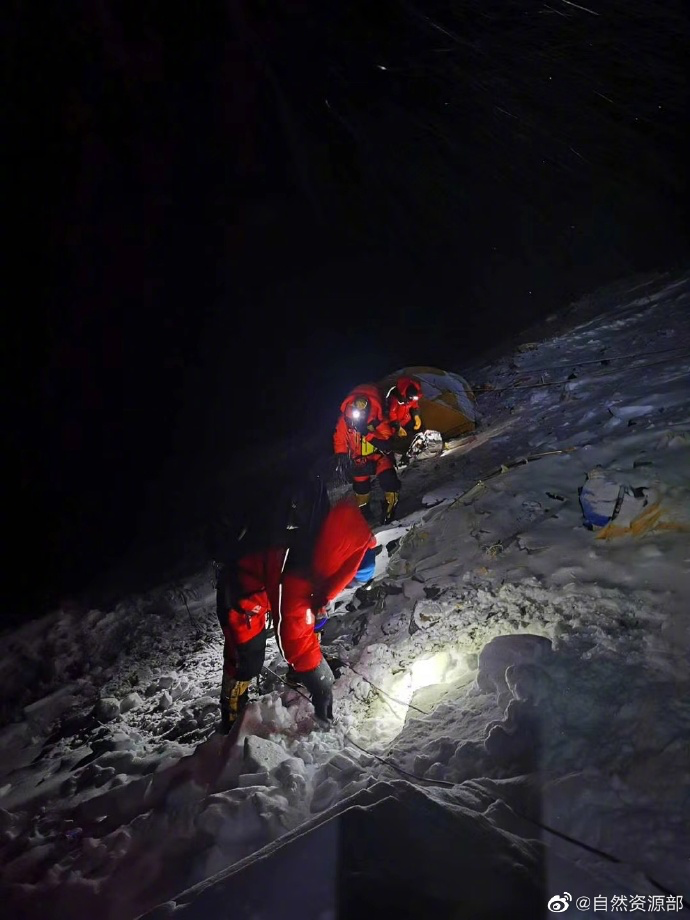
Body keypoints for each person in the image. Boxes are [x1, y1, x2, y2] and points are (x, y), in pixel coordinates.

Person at [216, 495, 377, 732]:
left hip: (270, 582)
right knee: (246, 659)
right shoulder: (302, 571)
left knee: (313, 617)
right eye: (349, 583)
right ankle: (231, 711)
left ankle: (297, 673)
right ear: (344, 570)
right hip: (243, 597)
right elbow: (294, 636)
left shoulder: (329, 541)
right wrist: (320, 683)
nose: (346, 589)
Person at [333, 383, 401, 524]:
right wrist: (341, 455)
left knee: (389, 480)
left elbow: (386, 442)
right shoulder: (345, 420)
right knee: (361, 488)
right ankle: (364, 512)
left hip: (378, 456)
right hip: (359, 459)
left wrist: (368, 433)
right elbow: (339, 439)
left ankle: (389, 509)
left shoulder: (377, 419)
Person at [385, 375, 423, 440]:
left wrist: (416, 416)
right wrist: (398, 427)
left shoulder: (414, 395)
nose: (411, 401)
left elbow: (414, 405)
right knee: (397, 438)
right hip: (393, 421)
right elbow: (391, 413)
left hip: (406, 419)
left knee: (417, 429)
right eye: (410, 399)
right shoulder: (396, 396)